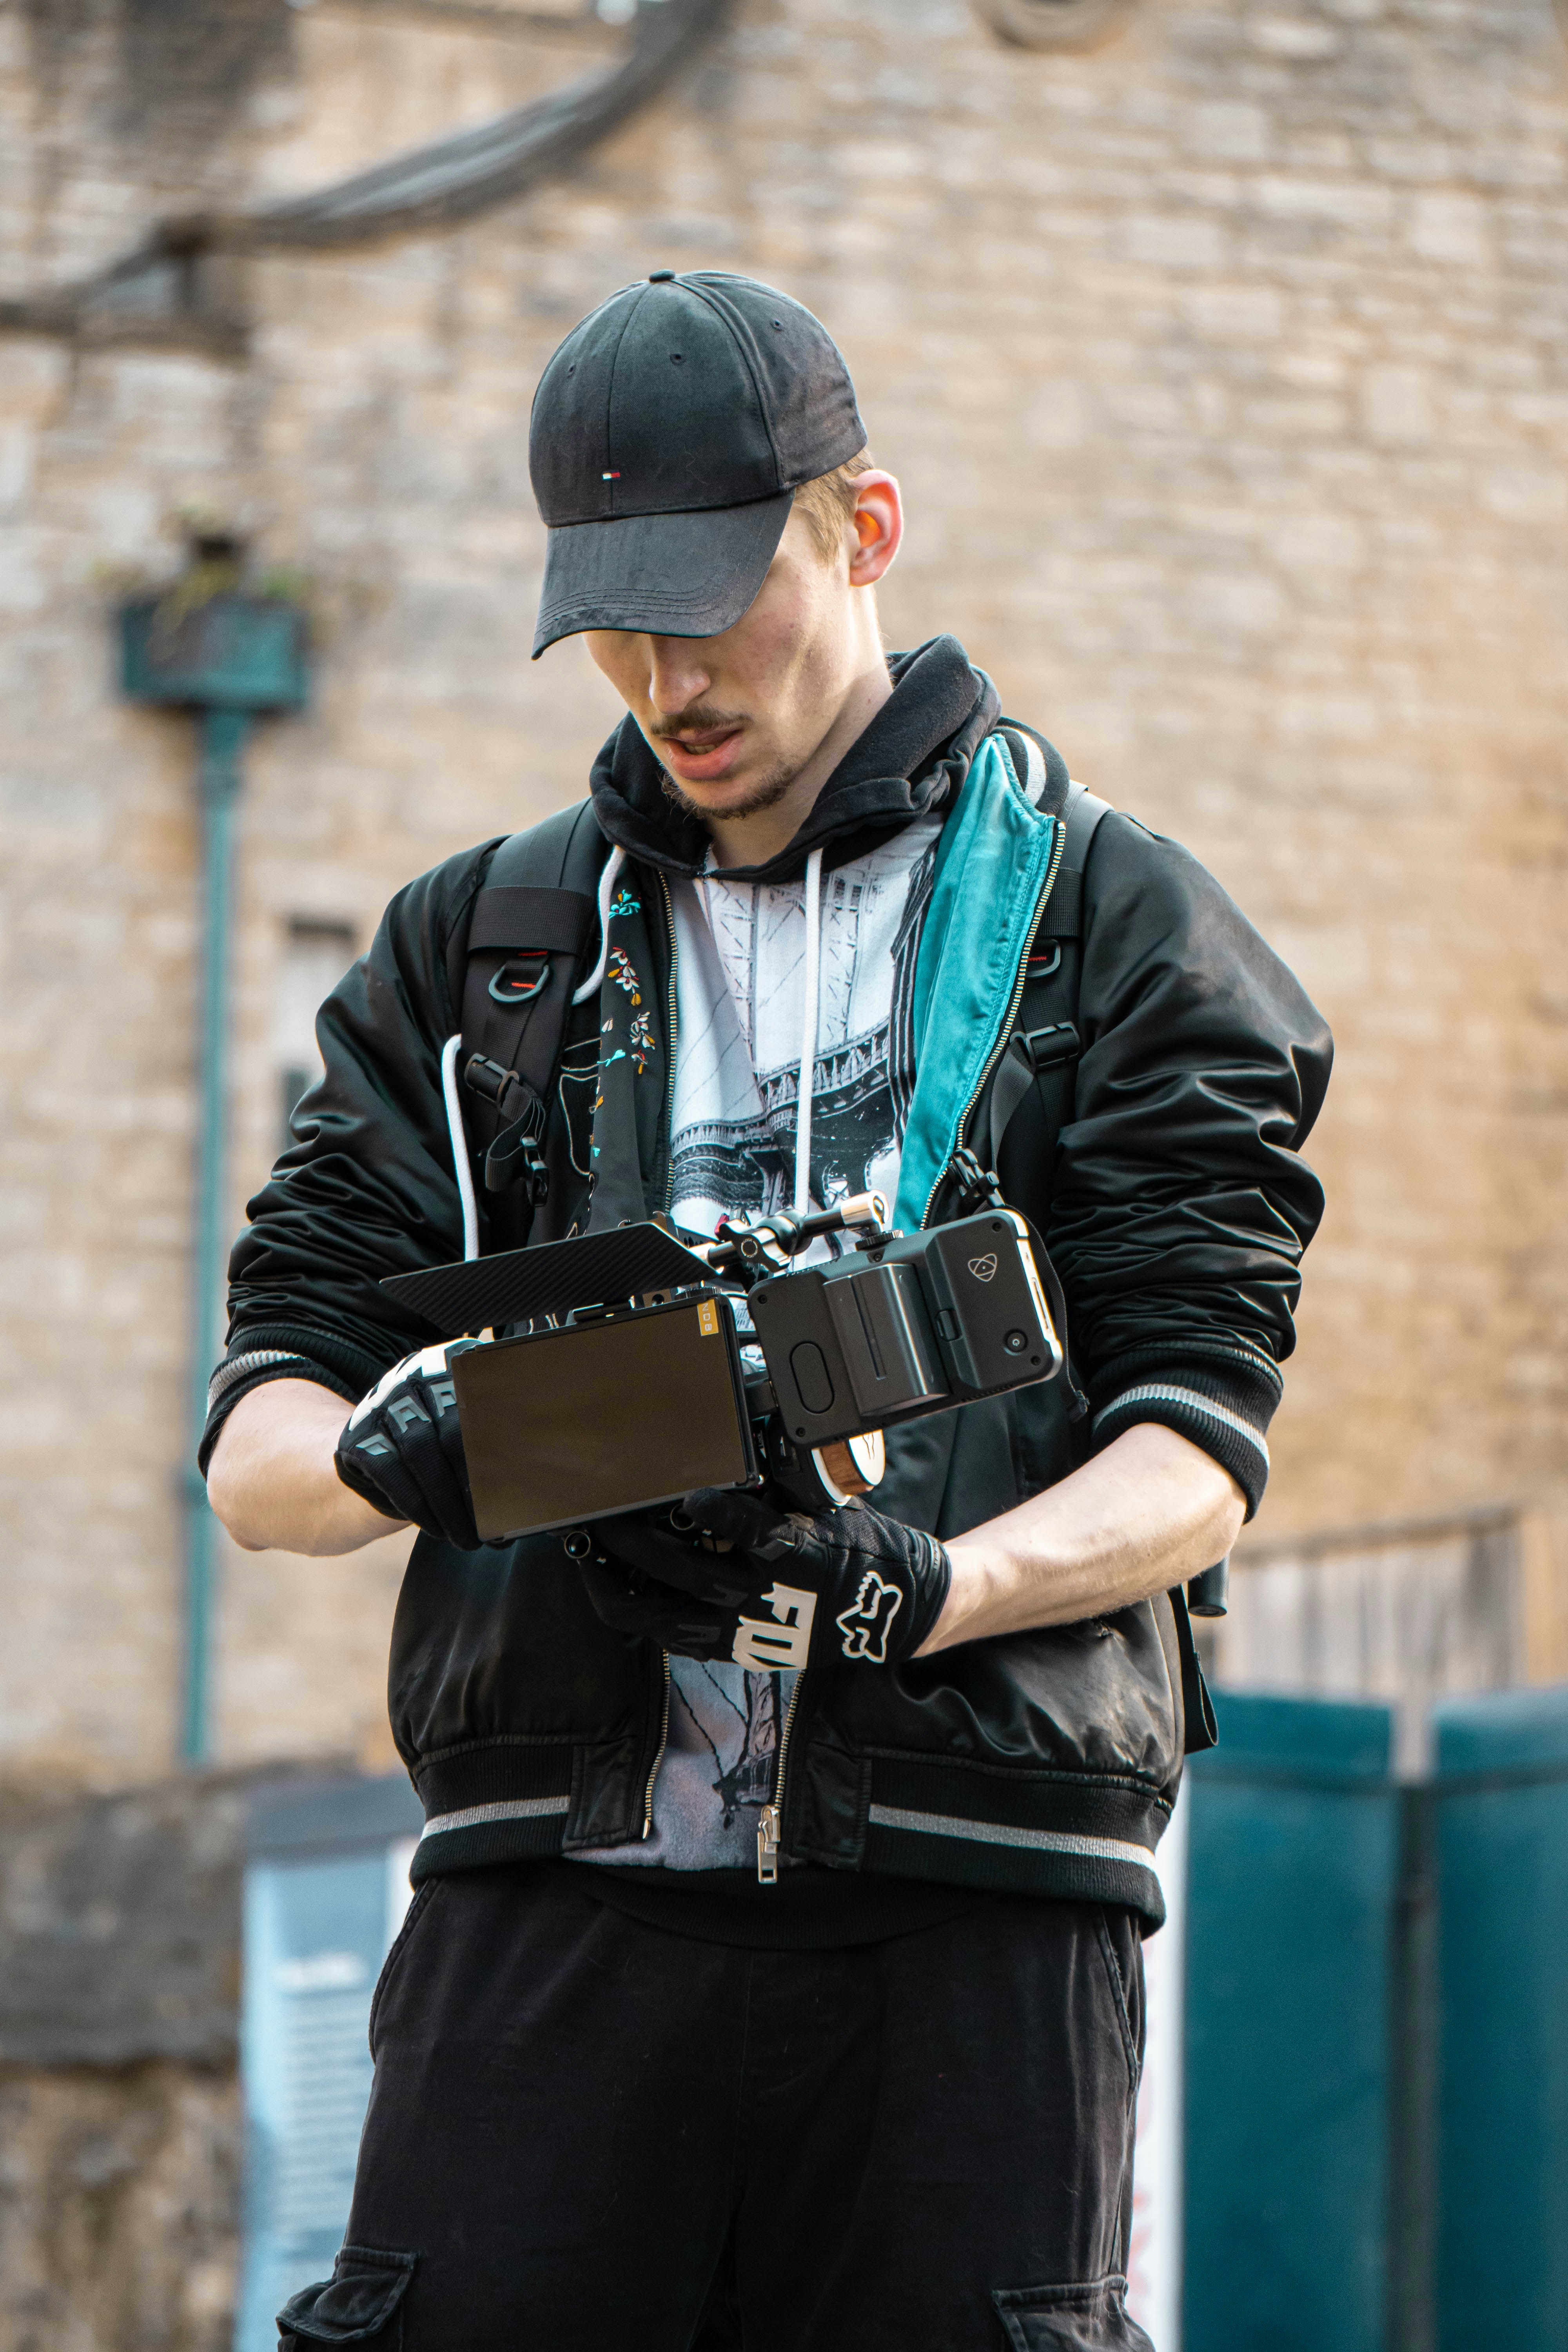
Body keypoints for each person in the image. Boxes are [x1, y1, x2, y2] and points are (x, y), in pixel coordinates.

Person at [205, 270, 1330, 2352]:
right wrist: (393, 1449)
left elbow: (1202, 1450)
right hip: (549, 1900)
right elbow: (258, 1443)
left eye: (712, 597)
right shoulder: (482, 949)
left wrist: (931, 1586)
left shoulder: (1127, 929)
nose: (664, 672)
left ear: (866, 529)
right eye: (614, 618)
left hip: (970, 1913)